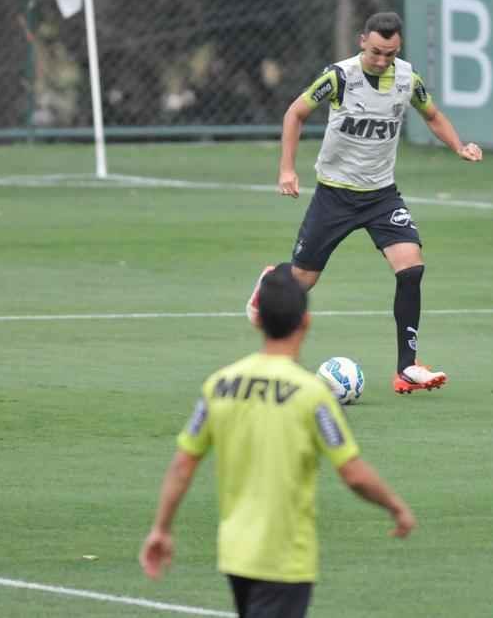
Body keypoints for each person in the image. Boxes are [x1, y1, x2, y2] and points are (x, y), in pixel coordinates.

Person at [141, 264, 415, 618]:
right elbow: (354, 474)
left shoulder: (220, 384)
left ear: (260, 320)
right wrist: (395, 507)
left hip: (235, 554)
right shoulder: (313, 395)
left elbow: (182, 464)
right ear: (306, 322)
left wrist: (161, 528)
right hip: (286, 557)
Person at [245, 10, 483, 395]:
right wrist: (286, 170)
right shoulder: (339, 77)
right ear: (362, 42)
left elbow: (433, 114)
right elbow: (295, 113)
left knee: (411, 269)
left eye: (390, 53)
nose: (382, 60)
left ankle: (407, 368)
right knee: (302, 281)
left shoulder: (407, 79)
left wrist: (459, 146)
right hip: (335, 194)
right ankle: (272, 282)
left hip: (381, 195)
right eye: (375, 52)